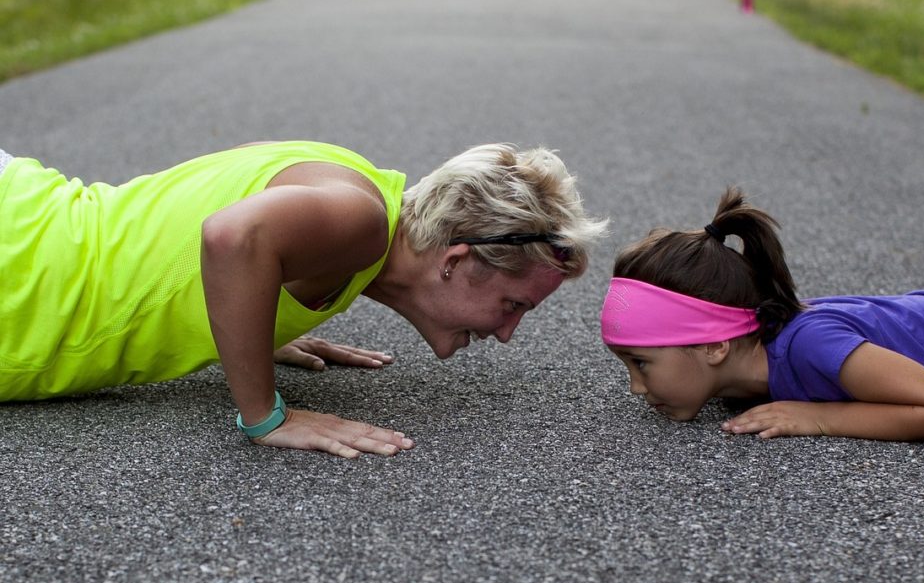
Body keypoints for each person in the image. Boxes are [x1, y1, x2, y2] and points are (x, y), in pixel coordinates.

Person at [0, 141, 607, 457]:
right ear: (455, 261)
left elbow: (201, 229)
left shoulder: (359, 200)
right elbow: (231, 236)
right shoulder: (361, 220)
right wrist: (267, 415)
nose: (507, 334)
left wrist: (251, 321)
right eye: (513, 305)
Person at [600, 187, 924, 441]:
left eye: (642, 363)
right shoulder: (746, 373)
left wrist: (819, 418)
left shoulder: (810, 345)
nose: (636, 387)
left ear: (714, 344)